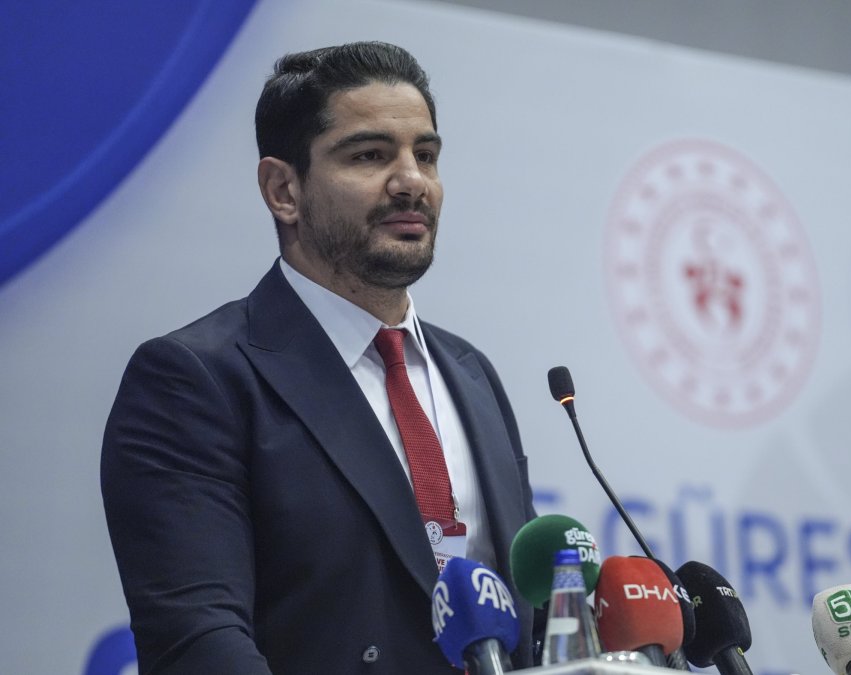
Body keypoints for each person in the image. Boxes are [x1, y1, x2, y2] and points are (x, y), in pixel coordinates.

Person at [100, 41, 538, 674]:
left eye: (427, 155)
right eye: (369, 154)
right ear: (283, 190)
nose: (412, 181)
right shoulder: (197, 379)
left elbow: (529, 622)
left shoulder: (471, 374)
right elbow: (196, 641)